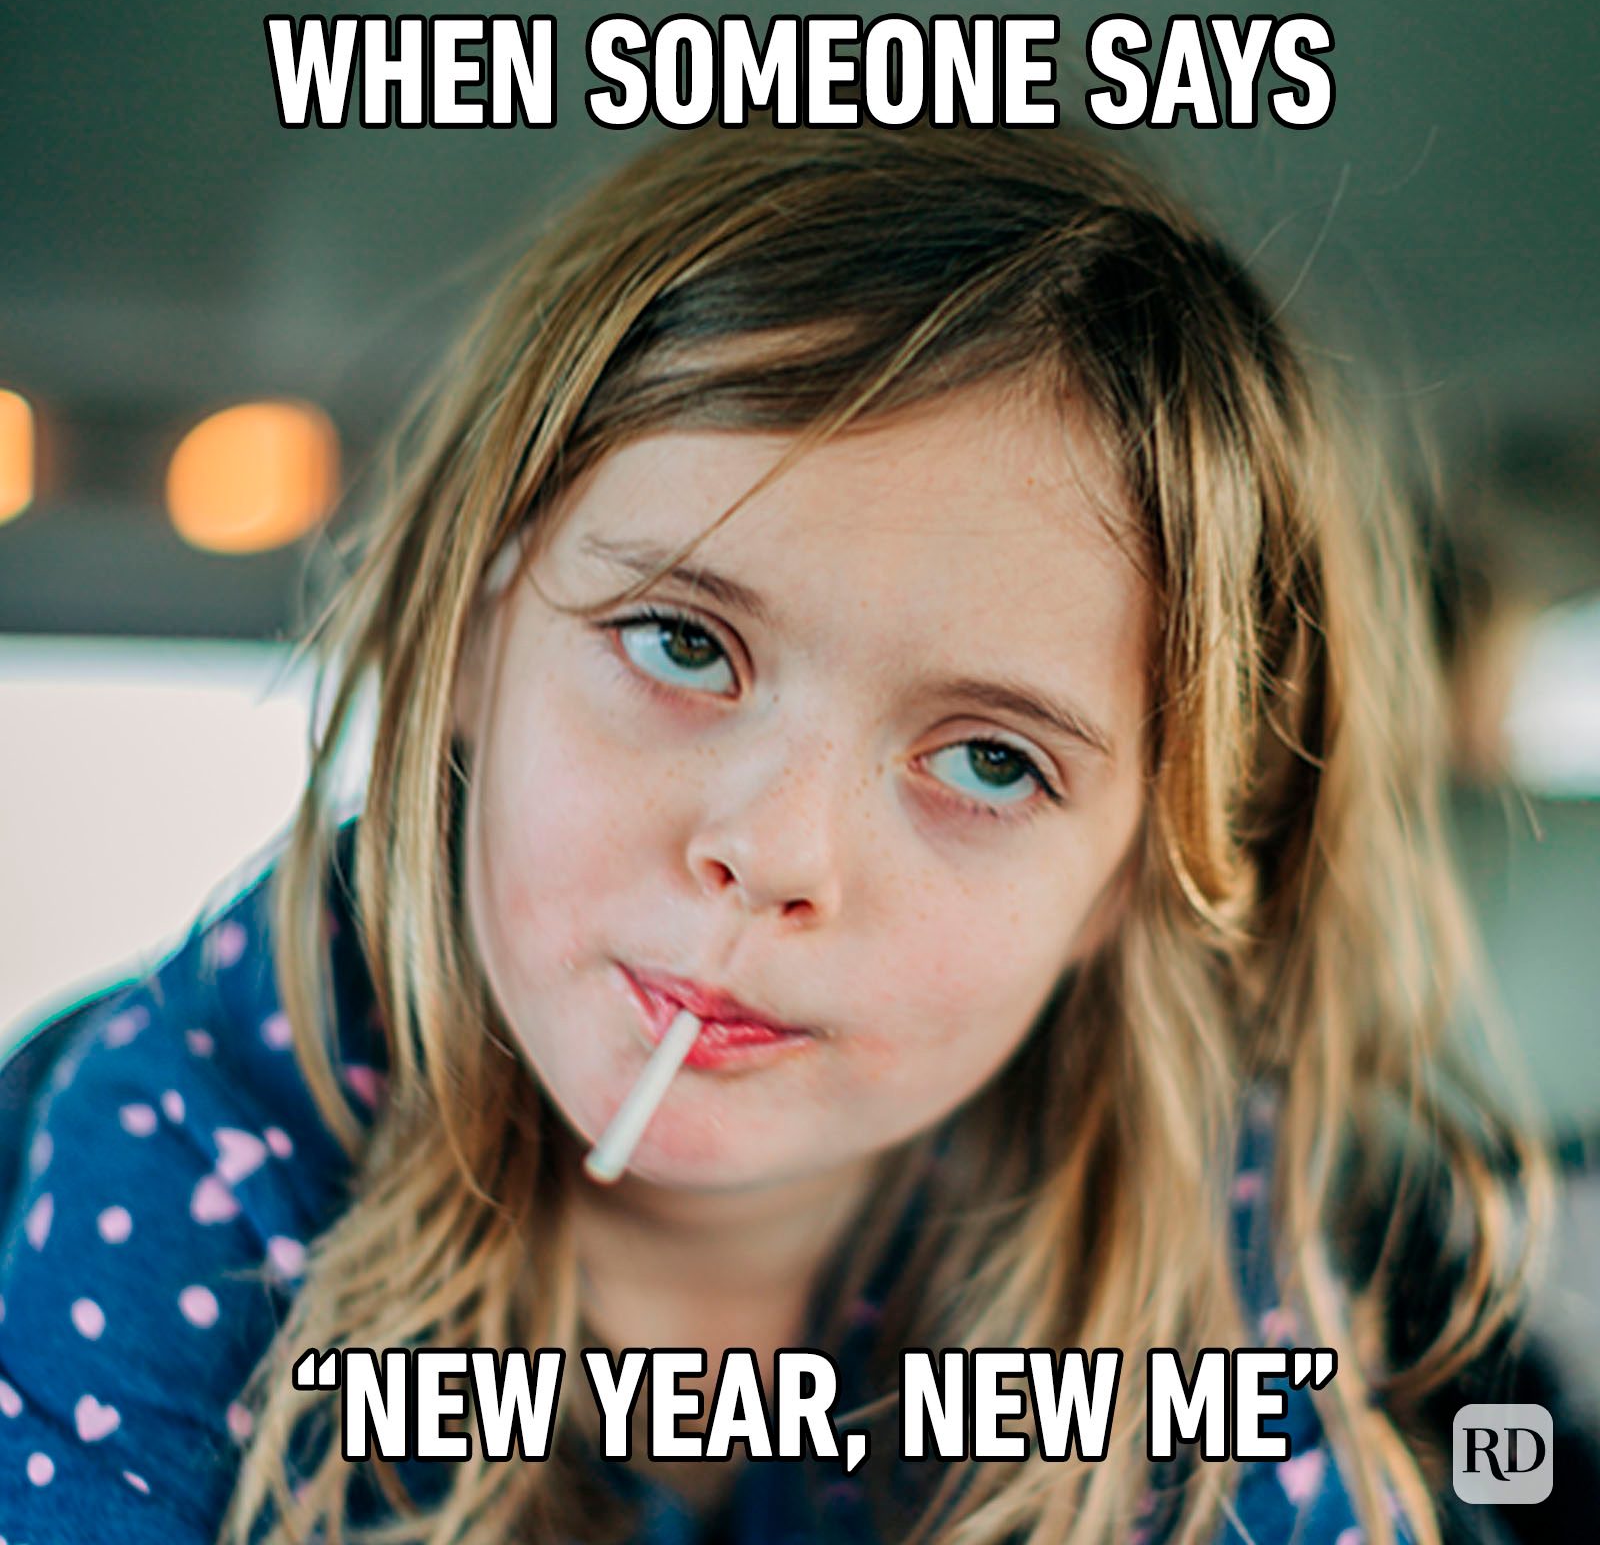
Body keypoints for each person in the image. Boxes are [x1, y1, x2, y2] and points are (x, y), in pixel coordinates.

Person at [0, 120, 1547, 1545]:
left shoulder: (1195, 1249)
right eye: (682, 644)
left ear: (1126, 883)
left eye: (995, 762)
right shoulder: (180, 1149)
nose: (780, 853)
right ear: (468, 641)